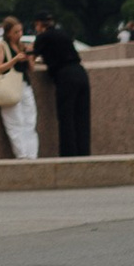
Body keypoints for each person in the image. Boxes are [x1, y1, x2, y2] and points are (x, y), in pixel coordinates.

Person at [34, 12, 93, 158]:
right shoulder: (62, 33)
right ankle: (84, 153)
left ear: (39, 24)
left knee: (66, 118)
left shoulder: (43, 37)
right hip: (81, 73)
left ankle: (68, 155)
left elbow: (33, 55)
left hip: (65, 77)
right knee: (82, 117)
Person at [0, 16, 40, 159]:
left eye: (21, 31)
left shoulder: (22, 45)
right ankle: (22, 155)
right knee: (15, 122)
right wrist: (15, 59)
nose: (19, 34)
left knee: (30, 121)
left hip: (25, 85)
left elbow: (31, 69)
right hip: (10, 87)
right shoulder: (2, 46)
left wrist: (30, 56)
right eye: (16, 32)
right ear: (8, 33)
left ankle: (32, 155)